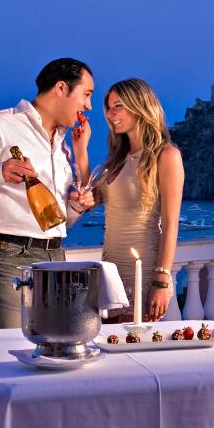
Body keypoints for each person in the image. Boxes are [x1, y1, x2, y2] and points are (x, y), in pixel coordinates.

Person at [0, 58, 96, 329]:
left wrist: (76, 207)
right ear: (61, 88)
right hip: (7, 257)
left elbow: (59, 222)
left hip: (56, 257)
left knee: (55, 348)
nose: (89, 106)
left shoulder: (63, 144)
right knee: (6, 351)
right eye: (86, 95)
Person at [74, 78, 184, 322]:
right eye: (109, 108)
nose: (111, 114)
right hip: (110, 270)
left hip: (143, 272)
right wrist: (81, 149)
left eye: (118, 106)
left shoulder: (166, 155)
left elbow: (171, 224)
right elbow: (88, 197)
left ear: (140, 106)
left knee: (132, 349)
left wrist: (161, 280)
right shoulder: (118, 159)